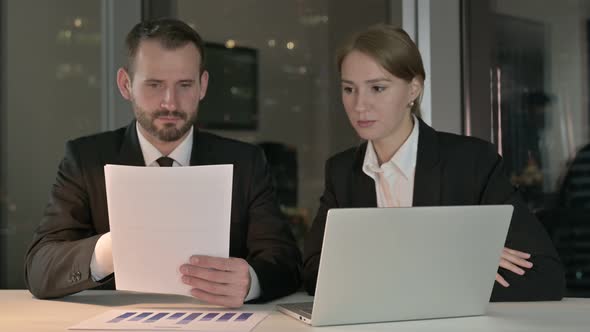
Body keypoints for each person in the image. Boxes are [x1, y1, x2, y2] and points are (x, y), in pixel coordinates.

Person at [24, 18, 301, 307]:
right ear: (125, 84)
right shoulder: (85, 159)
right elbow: (39, 269)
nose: (170, 102)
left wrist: (251, 282)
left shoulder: (246, 162)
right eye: (154, 84)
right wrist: (110, 250)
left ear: (203, 85)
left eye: (184, 84)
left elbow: (286, 261)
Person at [303, 24, 565, 301]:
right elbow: (314, 273)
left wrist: (379, 268)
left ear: (413, 89)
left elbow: (544, 276)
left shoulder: (471, 162)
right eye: (349, 89)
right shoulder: (342, 171)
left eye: (377, 88)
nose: (359, 105)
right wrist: (453, 257)